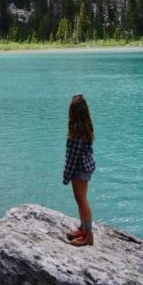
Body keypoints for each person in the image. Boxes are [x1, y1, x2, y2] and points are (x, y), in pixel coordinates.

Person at [62, 93, 97, 246]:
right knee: (80, 199)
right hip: (86, 166)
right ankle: (83, 228)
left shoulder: (76, 132)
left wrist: (65, 176)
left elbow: (72, 158)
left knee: (81, 200)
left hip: (80, 169)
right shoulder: (87, 127)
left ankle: (89, 235)